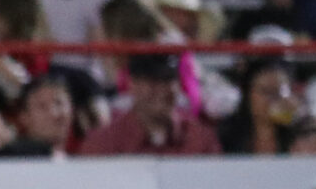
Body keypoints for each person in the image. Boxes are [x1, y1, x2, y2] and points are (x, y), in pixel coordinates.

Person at [75, 52, 218, 155]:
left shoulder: (201, 140)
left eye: (168, 80)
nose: (161, 89)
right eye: (152, 81)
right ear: (132, 84)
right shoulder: (103, 144)